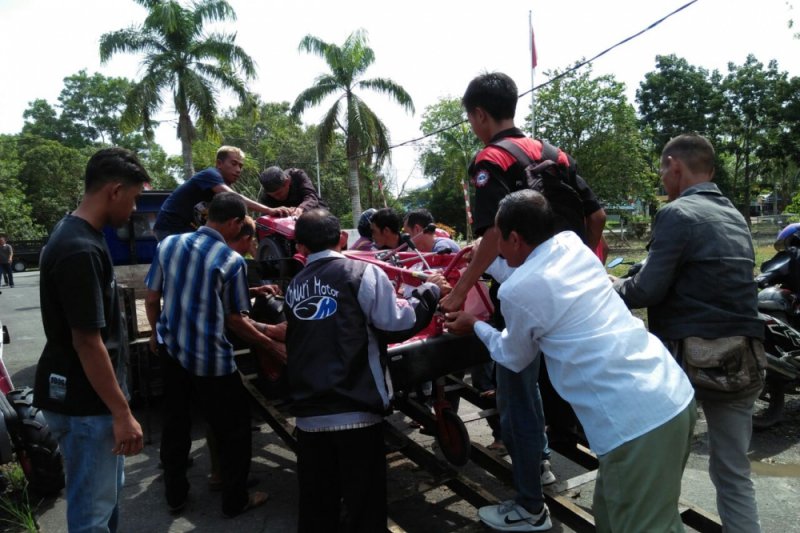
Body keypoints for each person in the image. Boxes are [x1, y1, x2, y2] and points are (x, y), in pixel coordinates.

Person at [445, 190, 696, 533]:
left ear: (514, 238)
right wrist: (489, 261)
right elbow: (532, 278)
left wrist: (475, 325)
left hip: (635, 424)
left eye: (496, 239)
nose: (494, 248)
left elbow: (513, 356)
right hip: (671, 392)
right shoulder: (570, 244)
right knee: (611, 514)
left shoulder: (518, 291)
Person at [440, 72, 606, 522]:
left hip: (524, 295)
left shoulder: (489, 159)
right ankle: (559, 462)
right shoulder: (554, 153)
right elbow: (597, 215)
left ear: (479, 114)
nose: (473, 126)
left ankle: (532, 491)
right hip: (578, 289)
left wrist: (457, 294)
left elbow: (494, 233)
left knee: (517, 389)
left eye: (471, 119)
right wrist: (581, 261)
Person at [613, 134, 765, 533]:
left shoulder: (677, 214)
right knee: (734, 472)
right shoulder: (734, 214)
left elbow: (647, 290)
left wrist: (608, 288)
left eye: (663, 170)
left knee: (661, 466)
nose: (663, 179)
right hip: (745, 357)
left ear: (674, 166)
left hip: (690, 362)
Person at [285, 208, 444, 533]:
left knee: (317, 509)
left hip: (309, 417)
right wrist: (429, 293)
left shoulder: (293, 286)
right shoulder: (362, 274)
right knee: (365, 508)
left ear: (299, 246)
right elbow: (397, 324)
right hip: (355, 413)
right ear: (343, 238)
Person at [33, 147, 147, 532]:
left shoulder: (80, 235)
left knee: (103, 498)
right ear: (114, 191)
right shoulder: (79, 248)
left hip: (86, 401)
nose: (133, 210)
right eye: (133, 199)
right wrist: (121, 412)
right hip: (86, 406)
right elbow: (87, 341)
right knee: (91, 515)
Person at [145, 192, 272, 517]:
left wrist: (157, 332)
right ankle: (235, 498)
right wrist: (272, 344)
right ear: (233, 223)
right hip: (211, 360)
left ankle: (176, 495)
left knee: (175, 424)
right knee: (235, 430)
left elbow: (151, 297)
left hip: (173, 352)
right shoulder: (231, 261)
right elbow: (235, 319)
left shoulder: (169, 245)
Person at [153, 146, 291, 241]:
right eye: (234, 163)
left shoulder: (220, 187)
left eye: (241, 166)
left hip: (190, 231)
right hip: (170, 228)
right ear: (219, 163)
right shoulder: (210, 175)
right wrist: (269, 210)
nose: (238, 169)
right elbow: (234, 199)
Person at [257, 166, 327, 216]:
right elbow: (266, 215)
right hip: (285, 221)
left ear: (287, 182)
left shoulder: (298, 175)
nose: (277, 198)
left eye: (279, 193)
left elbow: (311, 197)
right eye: (273, 195)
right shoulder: (266, 196)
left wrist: (301, 209)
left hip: (314, 214)